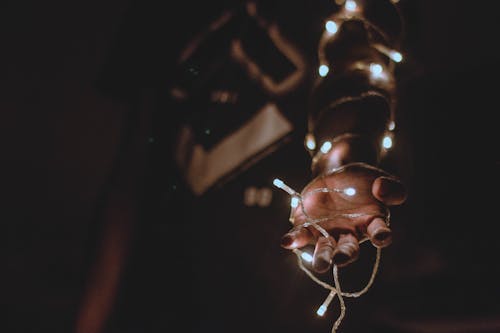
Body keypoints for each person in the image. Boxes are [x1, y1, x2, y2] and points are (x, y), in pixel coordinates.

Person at [74, 0, 409, 332]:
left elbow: (356, 75)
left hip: (284, 310)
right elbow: (128, 180)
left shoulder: (348, 10)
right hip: (163, 300)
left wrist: (342, 156)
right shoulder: (162, 12)